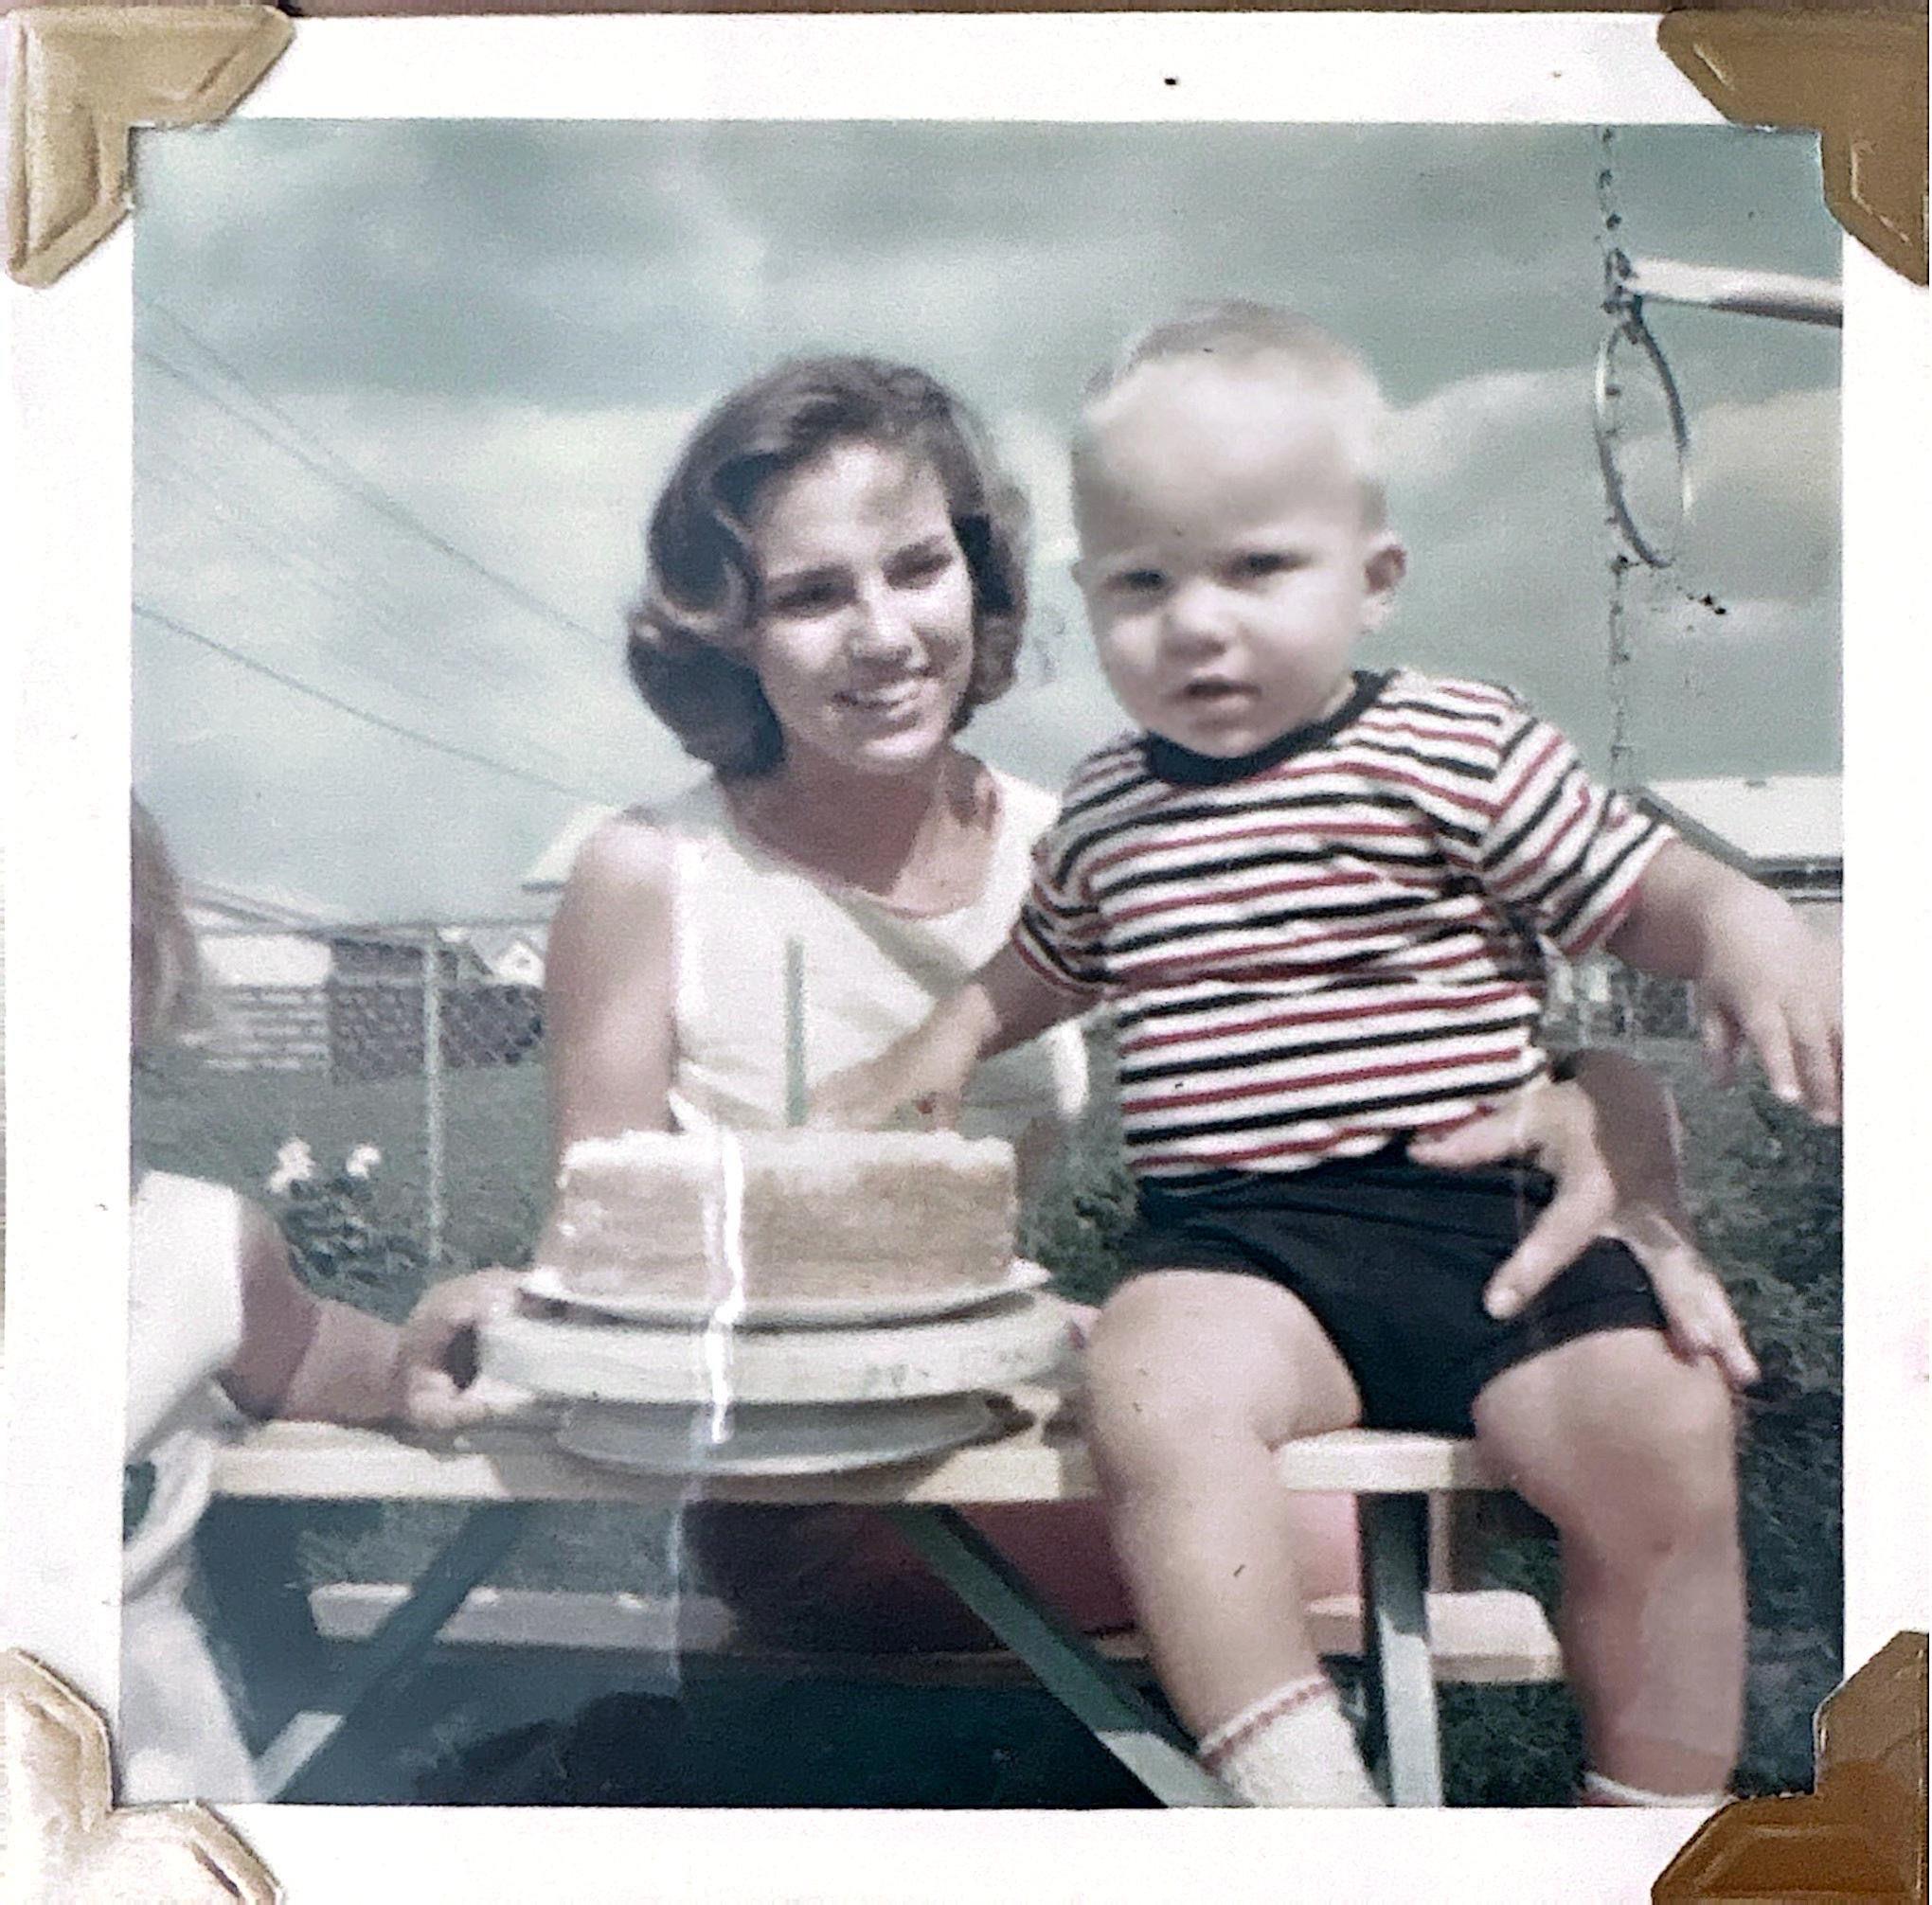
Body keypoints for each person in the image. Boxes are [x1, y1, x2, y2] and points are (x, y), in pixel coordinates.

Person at [545, 352, 1757, 1675]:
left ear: (982, 577)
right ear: (728, 628)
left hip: (1036, 1409)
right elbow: (598, 1239)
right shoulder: (656, 872)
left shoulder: (1079, 839)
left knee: (1481, 1470)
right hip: (801, 1474)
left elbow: (1353, 1015)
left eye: (916, 568)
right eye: (810, 594)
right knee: (1367, 1539)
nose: (884, 634)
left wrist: (1606, 1102)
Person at [814, 305, 1838, 1807]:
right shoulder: (1109, 807)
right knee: (1156, 1385)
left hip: (1480, 1221)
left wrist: (1740, 917)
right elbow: (1049, 960)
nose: (1200, 620)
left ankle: (1651, 1820)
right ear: (1090, 600)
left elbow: (1630, 887)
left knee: (1662, 1426)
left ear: (1375, 582)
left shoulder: (1452, 746)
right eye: (1145, 582)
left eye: (1258, 567)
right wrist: (951, 1028)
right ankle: (1302, 1797)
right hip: (1243, 1248)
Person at [124, 799, 520, 1802]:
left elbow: (307, 1356)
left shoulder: (189, 1239)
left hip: (131, 1770)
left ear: (147, 981)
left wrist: (419, 1353)